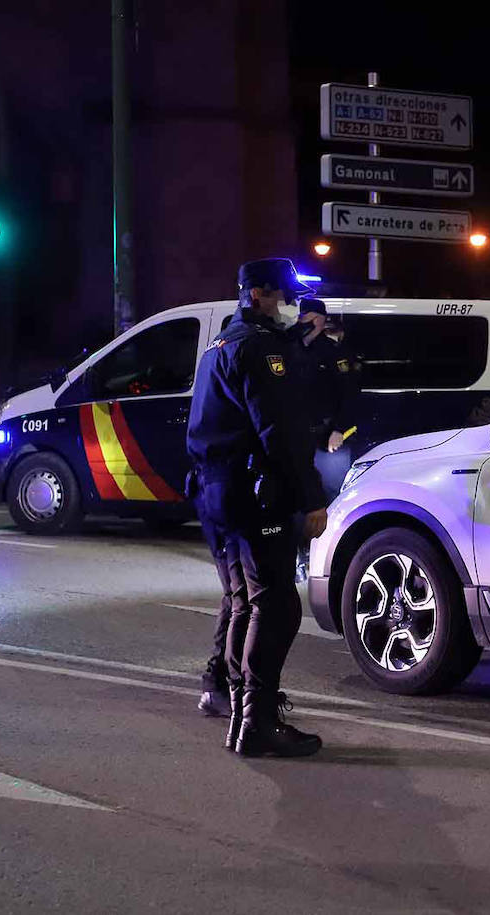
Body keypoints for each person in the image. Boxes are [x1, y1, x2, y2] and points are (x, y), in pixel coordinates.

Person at [186, 257, 329, 758]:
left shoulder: (224, 343)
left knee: (243, 600)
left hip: (215, 491)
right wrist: (311, 498)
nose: (294, 304)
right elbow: (281, 434)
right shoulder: (261, 350)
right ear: (257, 295)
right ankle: (257, 723)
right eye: (285, 295)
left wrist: (296, 344)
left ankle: (238, 711)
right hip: (252, 492)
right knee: (276, 605)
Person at [289, 297, 362, 502]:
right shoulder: (288, 349)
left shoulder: (333, 353)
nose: (303, 321)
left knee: (331, 492)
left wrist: (339, 429)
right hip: (297, 437)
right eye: (301, 316)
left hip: (328, 438)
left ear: (321, 320)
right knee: (296, 493)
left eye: (309, 317)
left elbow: (349, 394)